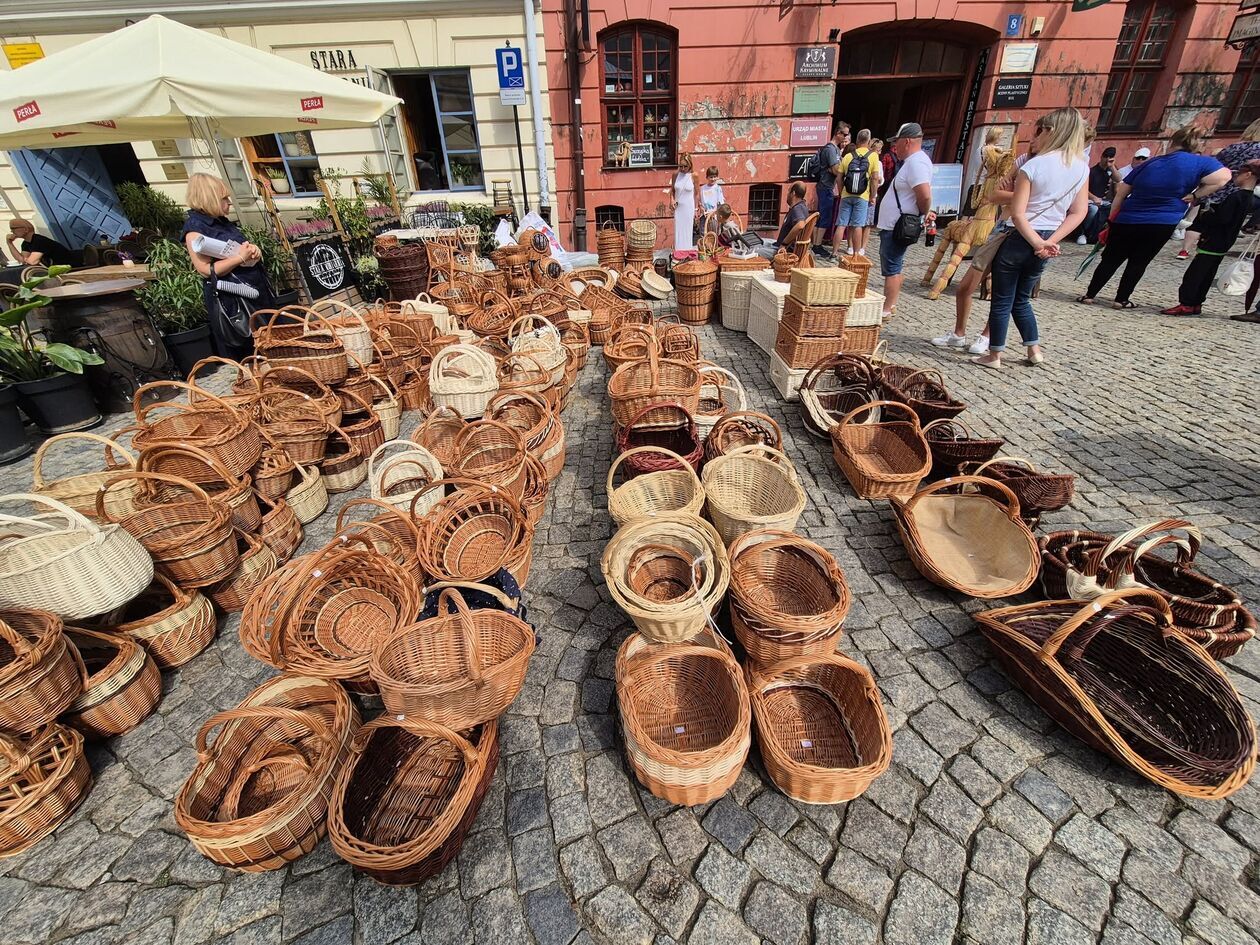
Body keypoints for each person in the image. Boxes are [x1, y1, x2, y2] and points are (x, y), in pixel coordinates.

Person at [974, 107, 1090, 370]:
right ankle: (1033, 349)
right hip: (1049, 237)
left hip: (1021, 236)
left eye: (1040, 131)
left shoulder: (1034, 165)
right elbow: (1078, 212)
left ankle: (994, 355)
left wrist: (1036, 241)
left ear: (1051, 131)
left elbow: (1017, 213)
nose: (1036, 136)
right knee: (1022, 298)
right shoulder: (1081, 168)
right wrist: (1050, 241)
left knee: (1002, 298)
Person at [932, 119, 1051, 354]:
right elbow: (995, 195)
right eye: (1034, 134)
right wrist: (1025, 195)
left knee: (1003, 293)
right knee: (966, 286)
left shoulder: (1054, 166)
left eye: (1039, 134)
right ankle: (958, 334)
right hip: (1000, 227)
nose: (1033, 139)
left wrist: (1018, 194)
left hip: (1029, 232)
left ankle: (987, 337)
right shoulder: (1023, 161)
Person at [1079, 125, 1230, 309]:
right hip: (1163, 220)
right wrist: (1196, 194)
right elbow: (1223, 178)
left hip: (1129, 218)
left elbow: (1122, 193)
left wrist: (1111, 219)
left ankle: (1090, 294)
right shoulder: (1201, 163)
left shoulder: (1151, 163)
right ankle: (1121, 299)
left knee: (1111, 259)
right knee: (1139, 262)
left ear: (1171, 142)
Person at [182, 173, 272, 359]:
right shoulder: (195, 229)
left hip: (254, 290)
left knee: (270, 341)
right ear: (210, 198)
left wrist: (253, 250)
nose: (229, 202)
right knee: (249, 350)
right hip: (234, 300)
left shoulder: (222, 222)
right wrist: (239, 258)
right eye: (224, 198)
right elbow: (205, 270)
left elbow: (239, 247)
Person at [1161, 160, 1260, 317]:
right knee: (1207, 273)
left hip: (1214, 240)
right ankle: (1196, 302)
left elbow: (1222, 218)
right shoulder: (1249, 198)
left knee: (1196, 273)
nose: (1236, 177)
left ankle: (1187, 303)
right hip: (1225, 241)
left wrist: (1205, 215)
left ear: (1248, 175)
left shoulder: (1236, 197)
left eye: (1239, 174)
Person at [875, 122, 934, 319]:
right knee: (893, 265)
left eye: (896, 142)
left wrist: (924, 213)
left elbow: (924, 194)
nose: (894, 147)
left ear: (907, 141)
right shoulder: (913, 162)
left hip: (898, 224)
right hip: (895, 223)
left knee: (892, 267)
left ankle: (887, 307)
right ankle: (890, 304)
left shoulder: (917, 163)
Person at [1177, 120, 1260, 258]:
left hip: (1217, 187)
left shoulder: (1233, 147)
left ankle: (1185, 250)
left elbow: (1215, 164)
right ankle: (1211, 251)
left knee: (1199, 222)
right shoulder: (1258, 150)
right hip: (1239, 190)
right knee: (1226, 223)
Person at [833, 129, 881, 257]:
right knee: (858, 225)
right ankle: (856, 254)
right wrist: (872, 196)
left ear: (857, 140)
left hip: (846, 194)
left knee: (841, 224)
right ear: (868, 141)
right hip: (862, 196)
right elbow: (875, 178)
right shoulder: (873, 156)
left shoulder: (848, 156)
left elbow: (839, 178)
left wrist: (841, 192)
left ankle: (834, 252)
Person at [812, 122, 850, 258]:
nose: (846, 137)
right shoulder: (831, 149)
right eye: (844, 134)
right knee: (825, 216)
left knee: (822, 216)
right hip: (826, 186)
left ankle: (816, 244)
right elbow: (836, 170)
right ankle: (817, 245)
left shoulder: (834, 149)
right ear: (838, 133)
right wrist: (839, 167)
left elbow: (835, 169)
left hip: (825, 186)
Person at [755, 182, 809, 258]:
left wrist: (784, 244)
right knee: (757, 241)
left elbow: (800, 225)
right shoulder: (802, 206)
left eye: (788, 191)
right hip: (778, 244)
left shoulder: (797, 209)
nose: (787, 194)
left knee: (752, 250)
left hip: (784, 251)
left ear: (793, 193)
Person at [1079, 147, 1118, 243]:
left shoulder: (1110, 171)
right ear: (1101, 157)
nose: (1107, 159)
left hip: (1104, 201)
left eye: (1110, 157)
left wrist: (1112, 166)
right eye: (1105, 156)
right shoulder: (1092, 171)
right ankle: (1083, 233)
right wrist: (1094, 198)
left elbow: (1118, 179)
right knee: (1093, 210)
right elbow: (1083, 189)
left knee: (1114, 208)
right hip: (1089, 200)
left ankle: (1101, 234)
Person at [6, 219, 77, 268]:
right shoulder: (25, 243)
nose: (12, 231)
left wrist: (27, 259)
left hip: (70, 266)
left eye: (13, 228)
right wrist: (10, 243)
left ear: (25, 229)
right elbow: (22, 261)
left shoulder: (39, 240)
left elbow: (32, 262)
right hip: (57, 268)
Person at [670, 153, 699, 253]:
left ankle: (687, 252)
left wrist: (696, 209)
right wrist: (672, 200)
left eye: (685, 166)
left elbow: (697, 194)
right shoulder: (675, 175)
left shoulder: (694, 176)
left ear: (690, 165)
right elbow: (672, 191)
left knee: (688, 231)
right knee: (678, 231)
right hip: (678, 208)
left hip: (688, 207)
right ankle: (678, 252)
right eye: (681, 166)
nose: (682, 168)